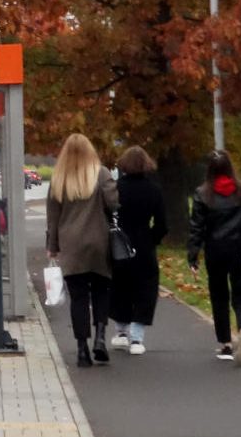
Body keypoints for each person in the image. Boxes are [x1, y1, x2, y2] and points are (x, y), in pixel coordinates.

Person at [46, 133, 119, 368]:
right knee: (101, 291)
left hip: (71, 245)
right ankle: (100, 337)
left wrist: (53, 247)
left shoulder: (59, 179)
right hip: (99, 243)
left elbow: (53, 218)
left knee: (78, 297)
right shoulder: (101, 173)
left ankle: (81, 349)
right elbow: (114, 203)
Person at [187, 149, 241, 365]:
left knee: (219, 295)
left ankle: (226, 343)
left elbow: (197, 228)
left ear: (209, 170)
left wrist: (193, 256)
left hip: (216, 251)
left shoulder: (203, 194)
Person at [107, 146, 167, 356]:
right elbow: (162, 224)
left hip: (119, 244)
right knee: (145, 288)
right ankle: (137, 336)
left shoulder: (116, 188)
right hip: (144, 245)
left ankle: (121, 331)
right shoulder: (154, 190)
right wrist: (152, 239)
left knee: (120, 286)